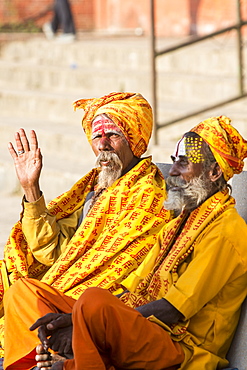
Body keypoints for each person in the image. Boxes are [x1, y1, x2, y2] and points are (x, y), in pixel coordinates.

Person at [3, 115, 247, 370]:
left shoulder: (226, 231)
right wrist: (73, 319)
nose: (172, 172)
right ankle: (46, 360)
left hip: (179, 348)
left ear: (214, 171)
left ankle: (68, 361)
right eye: (174, 162)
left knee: (93, 303)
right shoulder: (180, 223)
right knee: (23, 292)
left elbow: (172, 310)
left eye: (184, 164)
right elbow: (132, 287)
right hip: (139, 325)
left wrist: (84, 322)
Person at [0, 92, 170, 357]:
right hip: (63, 290)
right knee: (17, 291)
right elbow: (52, 252)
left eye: (113, 135)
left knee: (22, 296)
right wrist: (30, 188)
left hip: (100, 304)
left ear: (135, 141)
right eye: (97, 136)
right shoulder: (92, 187)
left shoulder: (149, 194)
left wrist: (81, 309)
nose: (103, 144)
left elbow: (125, 271)